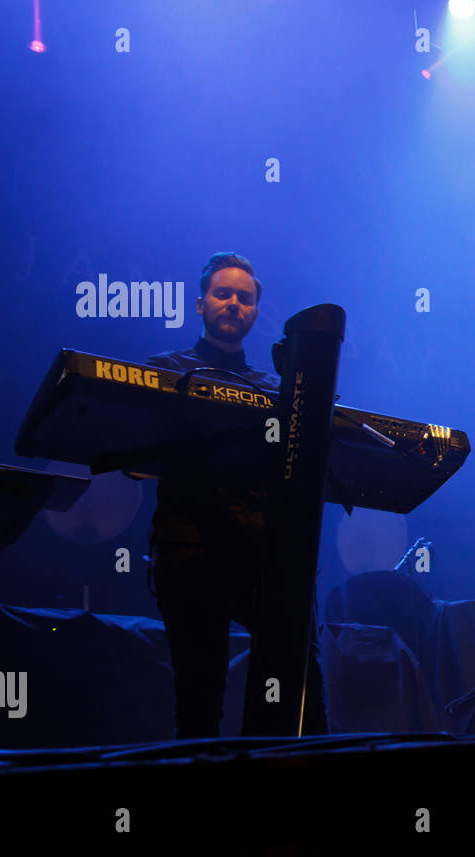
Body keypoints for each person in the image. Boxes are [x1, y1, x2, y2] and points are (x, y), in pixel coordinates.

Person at [141, 252, 328, 738]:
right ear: (200, 303)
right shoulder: (165, 369)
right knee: (199, 700)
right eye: (223, 294)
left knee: (297, 675)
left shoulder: (277, 388)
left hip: (259, 554)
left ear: (255, 312)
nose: (233, 304)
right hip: (190, 548)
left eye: (244, 298)